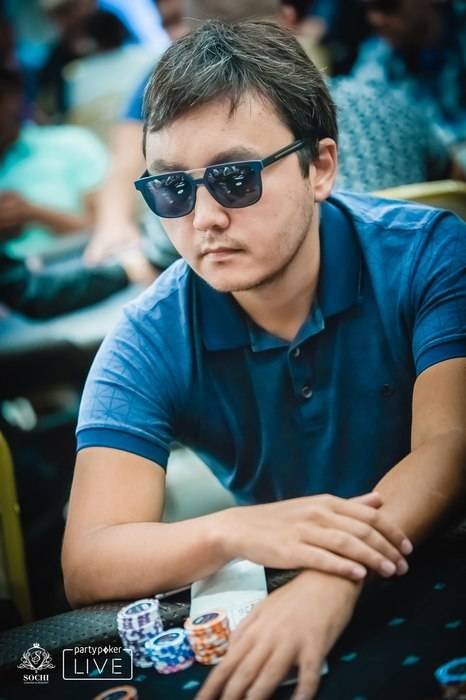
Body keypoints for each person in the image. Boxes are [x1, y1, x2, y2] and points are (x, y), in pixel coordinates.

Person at [63, 20, 466, 700]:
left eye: (234, 179)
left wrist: (335, 574)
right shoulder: (147, 338)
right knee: (48, 673)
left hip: (442, 551)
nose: (203, 219)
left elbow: (450, 443)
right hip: (278, 581)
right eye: (172, 189)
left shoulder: (427, 253)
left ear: (321, 167)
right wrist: (234, 530)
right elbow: (89, 558)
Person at [0, 66, 108, 258]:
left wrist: (32, 213)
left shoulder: (71, 144)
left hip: (81, 264)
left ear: (13, 98)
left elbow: (108, 227)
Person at [352, 0, 466, 167]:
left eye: (387, 6)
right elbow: (362, 106)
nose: (375, 19)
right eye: (368, 8)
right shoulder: (379, 51)